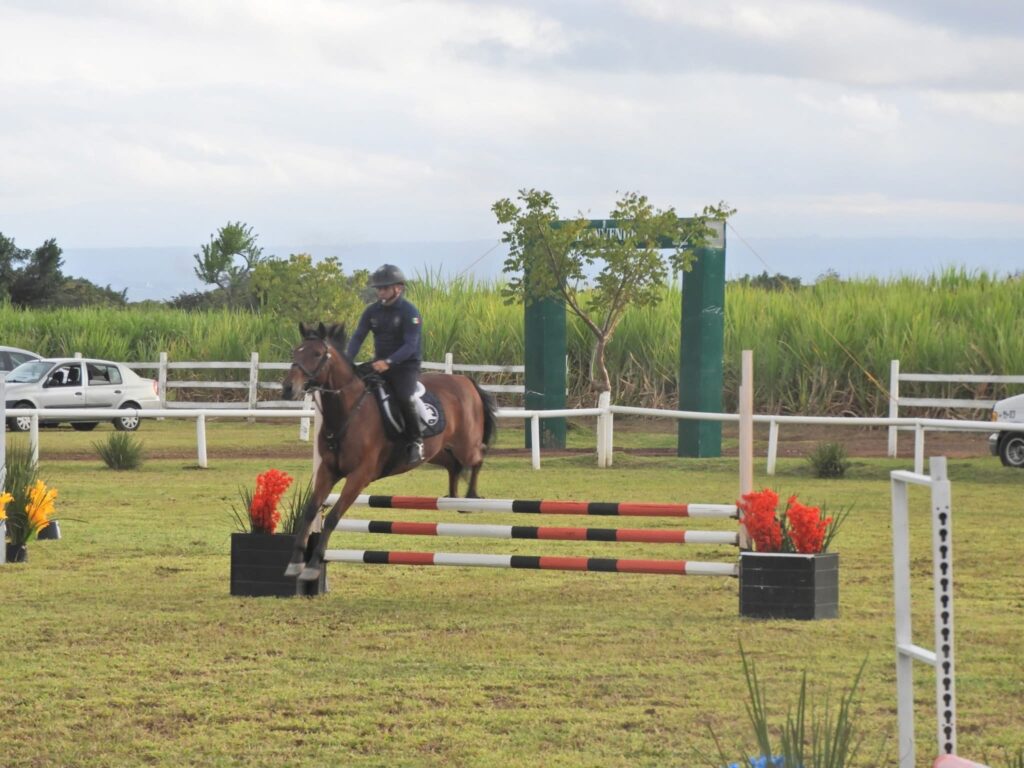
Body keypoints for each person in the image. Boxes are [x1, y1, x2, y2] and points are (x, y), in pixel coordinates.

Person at [346, 264, 425, 463]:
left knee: (405, 398)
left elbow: (410, 345)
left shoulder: (410, 312)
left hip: (405, 366)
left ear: (398, 288)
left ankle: (416, 441)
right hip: (378, 364)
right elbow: (358, 337)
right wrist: (347, 359)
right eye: (378, 288)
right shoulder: (371, 311)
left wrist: (389, 362)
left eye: (384, 288)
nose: (380, 291)